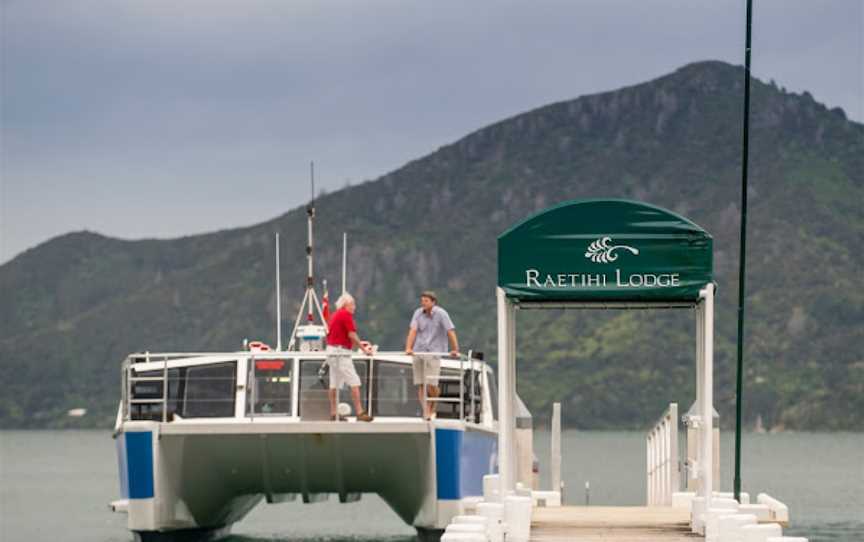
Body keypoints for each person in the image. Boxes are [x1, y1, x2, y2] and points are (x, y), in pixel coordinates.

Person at [404, 291, 459, 419]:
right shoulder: (418, 313)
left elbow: (450, 331)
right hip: (419, 350)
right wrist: (408, 348)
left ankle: (431, 407)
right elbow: (413, 330)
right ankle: (426, 410)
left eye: (426, 301)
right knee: (421, 383)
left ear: (433, 302)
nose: (423, 303)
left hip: (434, 352)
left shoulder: (441, 314)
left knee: (432, 384)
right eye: (422, 300)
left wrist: (455, 349)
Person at [326, 293, 374, 422]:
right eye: (352, 304)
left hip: (331, 351)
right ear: (345, 304)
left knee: (334, 383)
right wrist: (364, 350)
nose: (354, 307)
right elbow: (352, 334)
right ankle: (360, 412)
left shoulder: (335, 314)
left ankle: (334, 413)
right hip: (341, 352)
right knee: (354, 381)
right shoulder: (345, 314)